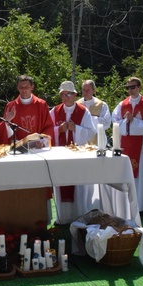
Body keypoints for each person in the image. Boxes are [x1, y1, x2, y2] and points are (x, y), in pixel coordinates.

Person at [49, 81, 97, 224]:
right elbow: (47, 132)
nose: (65, 97)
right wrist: (59, 130)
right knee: (61, 184)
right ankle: (62, 217)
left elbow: (91, 132)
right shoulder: (54, 111)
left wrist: (75, 128)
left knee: (78, 186)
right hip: (60, 155)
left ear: (75, 95)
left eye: (68, 94)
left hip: (78, 154)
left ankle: (78, 216)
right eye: (62, 95)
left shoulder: (83, 112)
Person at [111, 77, 143, 215]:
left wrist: (134, 121)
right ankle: (125, 204)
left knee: (140, 173)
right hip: (125, 144)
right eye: (128, 87)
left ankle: (140, 205)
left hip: (141, 146)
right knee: (126, 173)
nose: (130, 90)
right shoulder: (121, 105)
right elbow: (115, 122)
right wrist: (126, 121)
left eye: (133, 87)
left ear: (139, 87)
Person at [3, 75, 53, 146]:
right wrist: (6, 121)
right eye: (21, 87)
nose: (24, 90)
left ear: (32, 87)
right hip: (19, 147)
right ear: (17, 88)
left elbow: (48, 126)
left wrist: (42, 140)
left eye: (26, 87)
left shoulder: (41, 104)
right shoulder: (11, 106)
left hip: (38, 146)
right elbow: (5, 129)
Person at [78, 80, 111, 147]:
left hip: (98, 140)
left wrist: (89, 118)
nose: (85, 92)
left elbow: (107, 123)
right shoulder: (77, 105)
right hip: (81, 139)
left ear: (94, 91)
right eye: (83, 90)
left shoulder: (101, 105)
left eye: (88, 90)